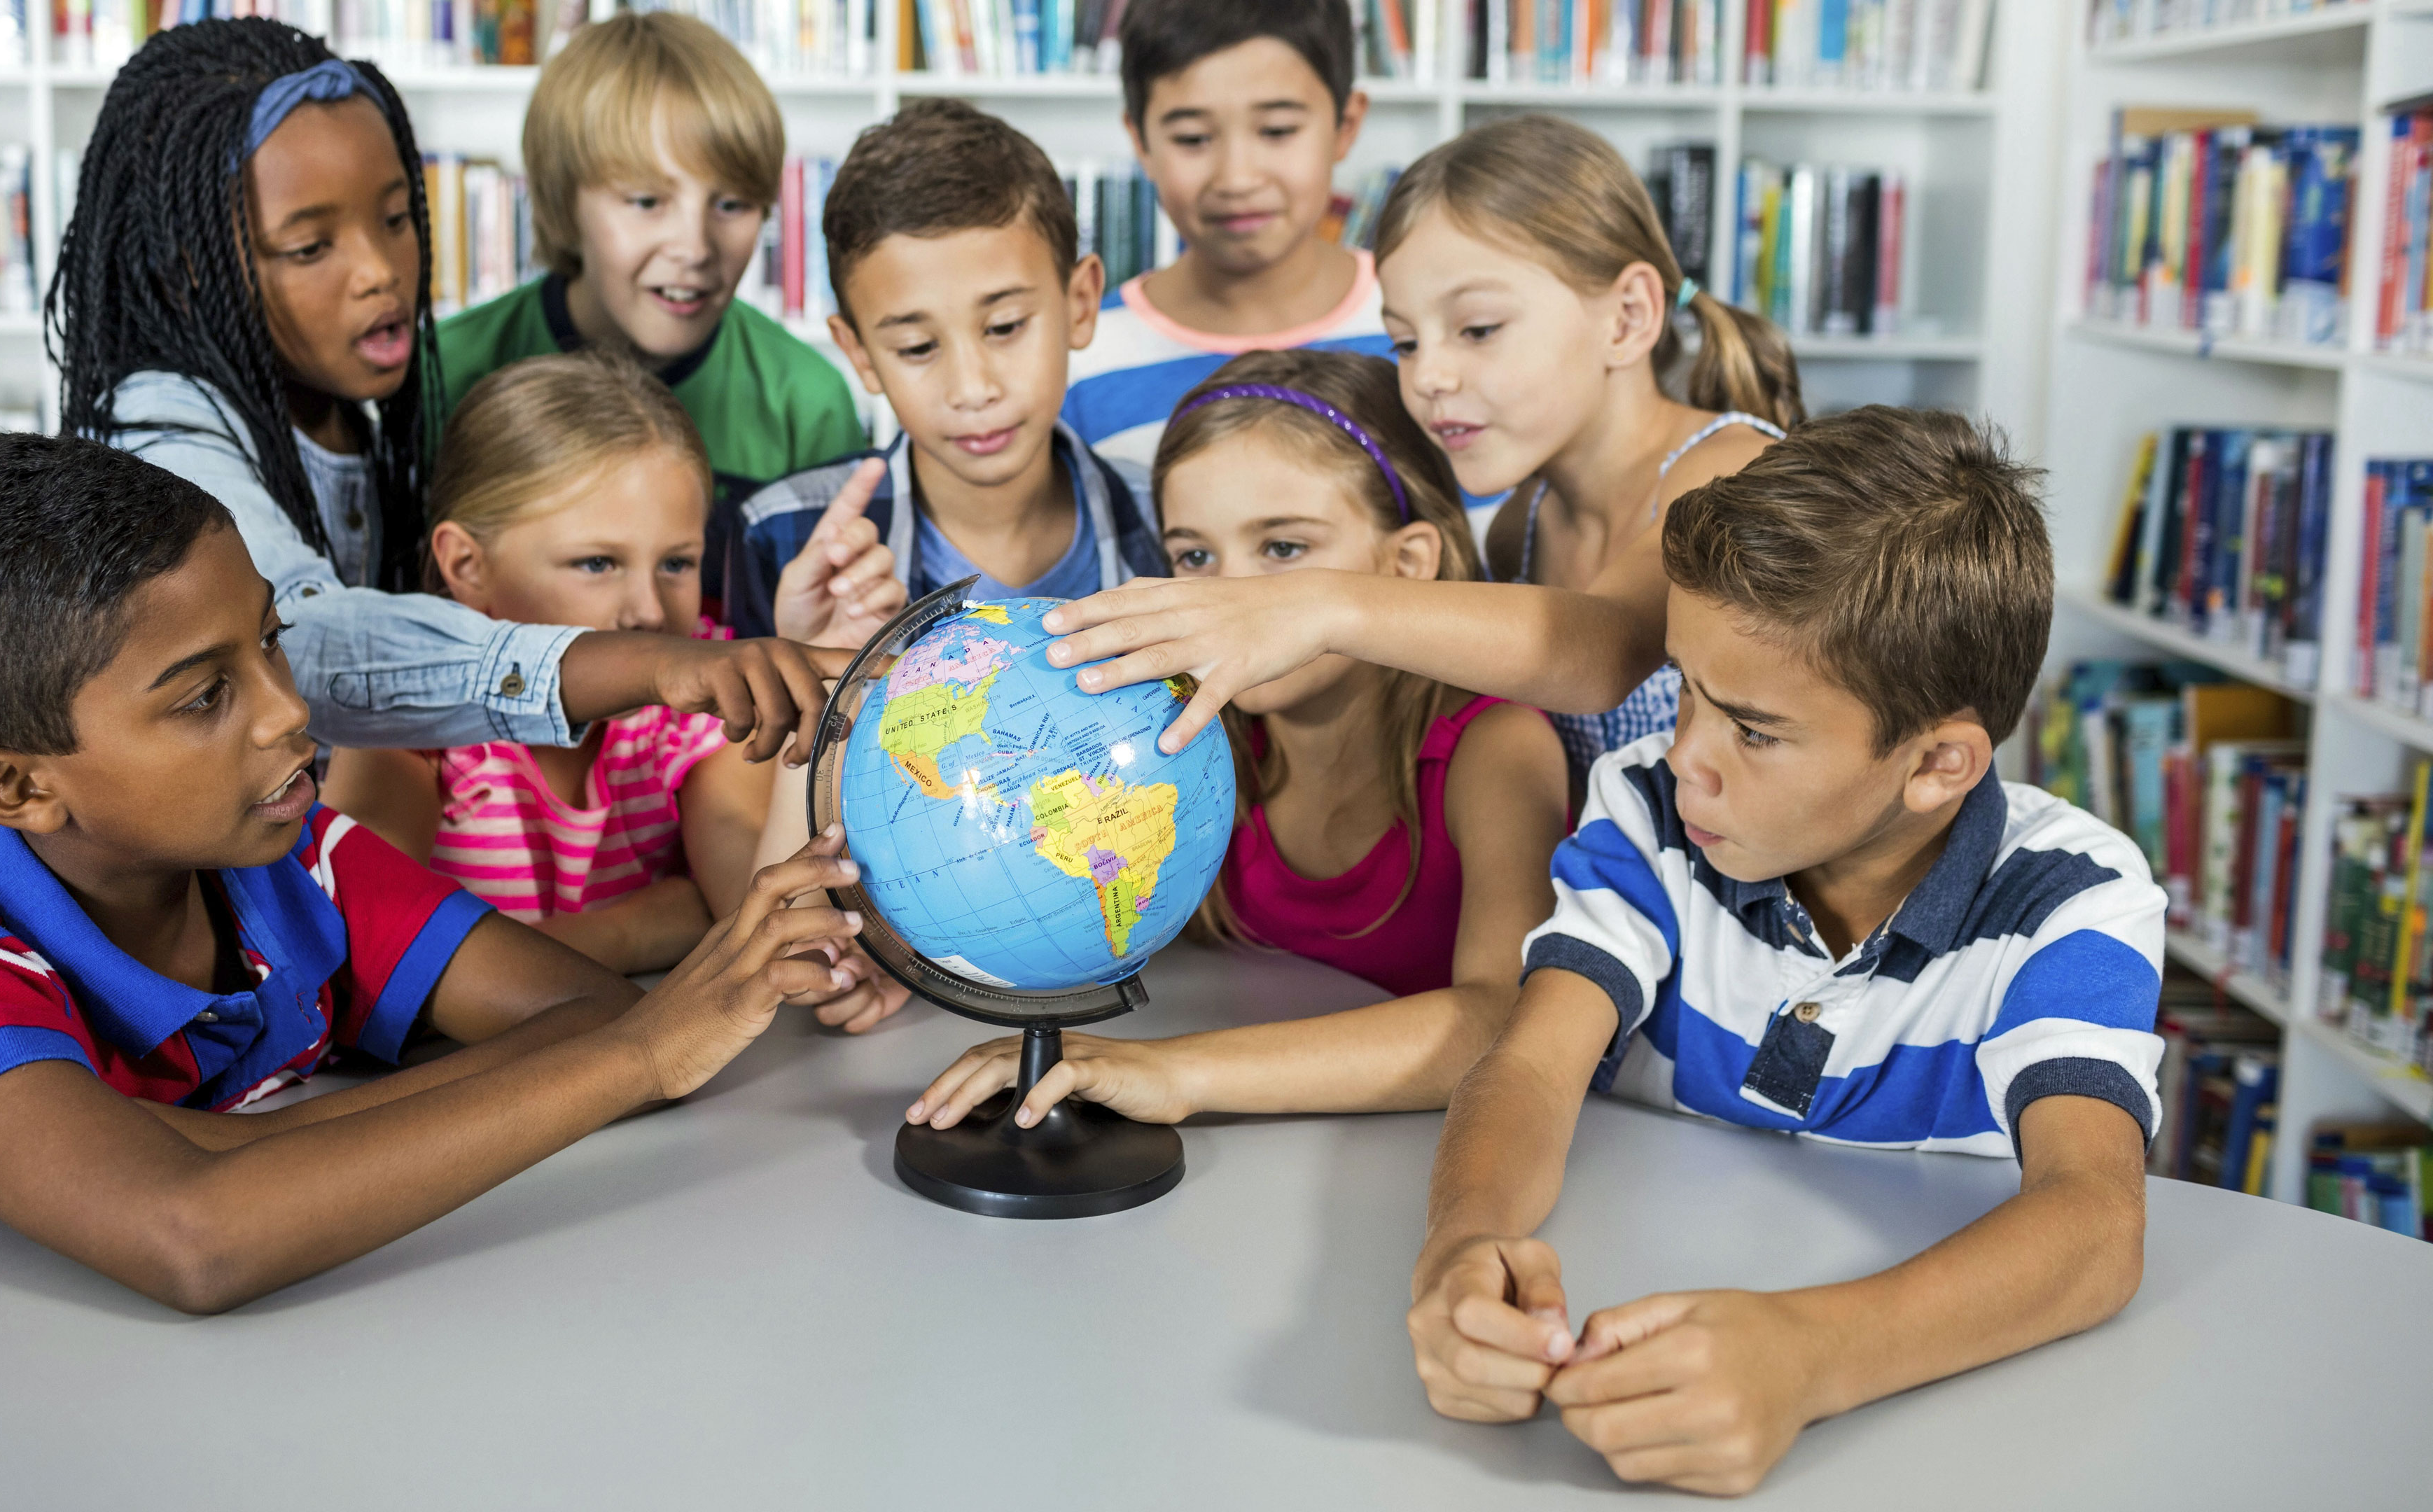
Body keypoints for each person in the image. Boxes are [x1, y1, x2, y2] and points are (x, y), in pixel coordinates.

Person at [0, 433, 867, 1314]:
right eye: (201, 697)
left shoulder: (297, 858)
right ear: (14, 789)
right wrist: (648, 1053)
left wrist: (225, 1151)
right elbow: (196, 1239)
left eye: (268, 643)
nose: (287, 711)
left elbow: (578, 1012)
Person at [1405, 408, 2165, 1496]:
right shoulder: (1649, 814)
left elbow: (2096, 1224)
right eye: (1684, 691)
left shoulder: (2074, 903)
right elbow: (1531, 1063)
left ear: (1940, 762)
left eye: (1753, 730)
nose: (1685, 758)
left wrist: (1808, 1358)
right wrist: (1457, 1246)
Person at [50, 18, 831, 765]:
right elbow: (296, 643)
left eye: (397, 218)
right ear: (192, 265)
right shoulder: (161, 425)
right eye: (311, 246)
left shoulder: (354, 410)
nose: (382, 272)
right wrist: (645, 665)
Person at [1035, 112, 1804, 787]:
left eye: (1477, 329)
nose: (1429, 376)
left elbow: (1602, 652)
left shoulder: (1730, 472)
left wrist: (1316, 601)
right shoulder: (1523, 521)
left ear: (1629, 315)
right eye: (1405, 340)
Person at [905, 349, 1564, 1134]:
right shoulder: (1188, 745)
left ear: (1407, 562)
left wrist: (1176, 1070)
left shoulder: (1494, 749)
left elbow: (1506, 1023)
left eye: (1283, 549)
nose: (1226, 596)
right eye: (1194, 557)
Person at [323, 349, 907, 1030]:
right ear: (465, 565)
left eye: (677, 563)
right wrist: (641, 929)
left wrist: (805, 694)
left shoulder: (694, 699)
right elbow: (365, 981)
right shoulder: (402, 717)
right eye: (597, 563)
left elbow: (780, 935)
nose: (649, 611)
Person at [726, 99, 1165, 640]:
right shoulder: (779, 537)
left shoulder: (1174, 522)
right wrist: (821, 687)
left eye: (1004, 327)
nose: (972, 389)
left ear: (1080, 304)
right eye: (916, 347)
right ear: (860, 352)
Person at [432, 10, 865, 519]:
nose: (695, 248)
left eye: (731, 205)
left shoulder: (808, 402)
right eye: (646, 202)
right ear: (560, 205)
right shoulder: (446, 372)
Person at [1059, 0, 1392, 471]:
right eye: (1193, 138)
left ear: (1346, 125)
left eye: (1277, 131)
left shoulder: (1424, 327)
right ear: (1140, 141)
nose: (1236, 179)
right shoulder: (1082, 363)